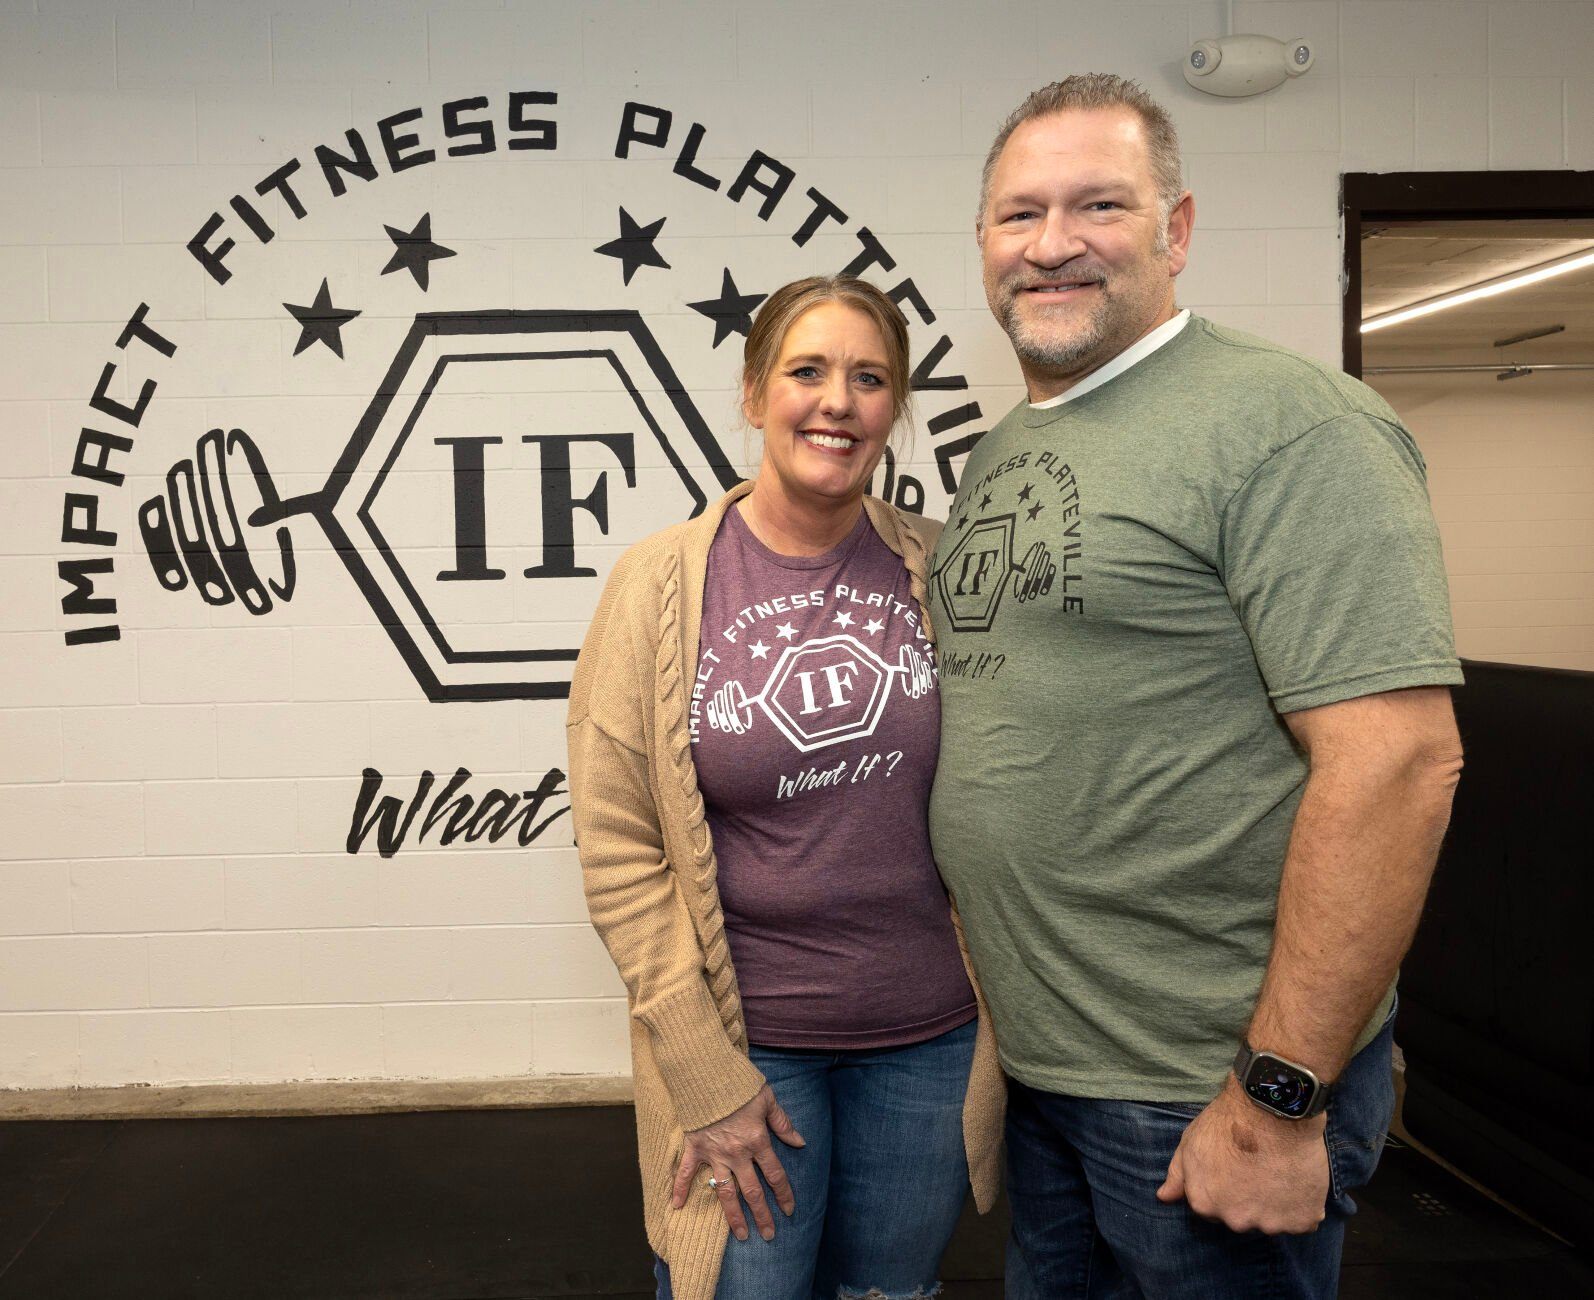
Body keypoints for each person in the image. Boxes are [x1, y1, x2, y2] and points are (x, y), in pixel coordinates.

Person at [927, 74, 1465, 1299]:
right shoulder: (1017, 443)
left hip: (1201, 1085)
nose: (1050, 244)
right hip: (1051, 1069)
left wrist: (1279, 1094)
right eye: (1017, 216)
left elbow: (1397, 765)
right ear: (981, 245)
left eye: (1096, 206)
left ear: (1174, 231)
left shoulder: (1291, 426)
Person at [567, 275, 1004, 1300]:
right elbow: (619, 847)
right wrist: (704, 1075)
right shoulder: (659, 583)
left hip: (930, 1038)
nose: (837, 401)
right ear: (754, 393)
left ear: (893, 408)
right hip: (751, 1044)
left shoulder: (940, 569)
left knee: (891, 1293)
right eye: (806, 371)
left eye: (868, 377)